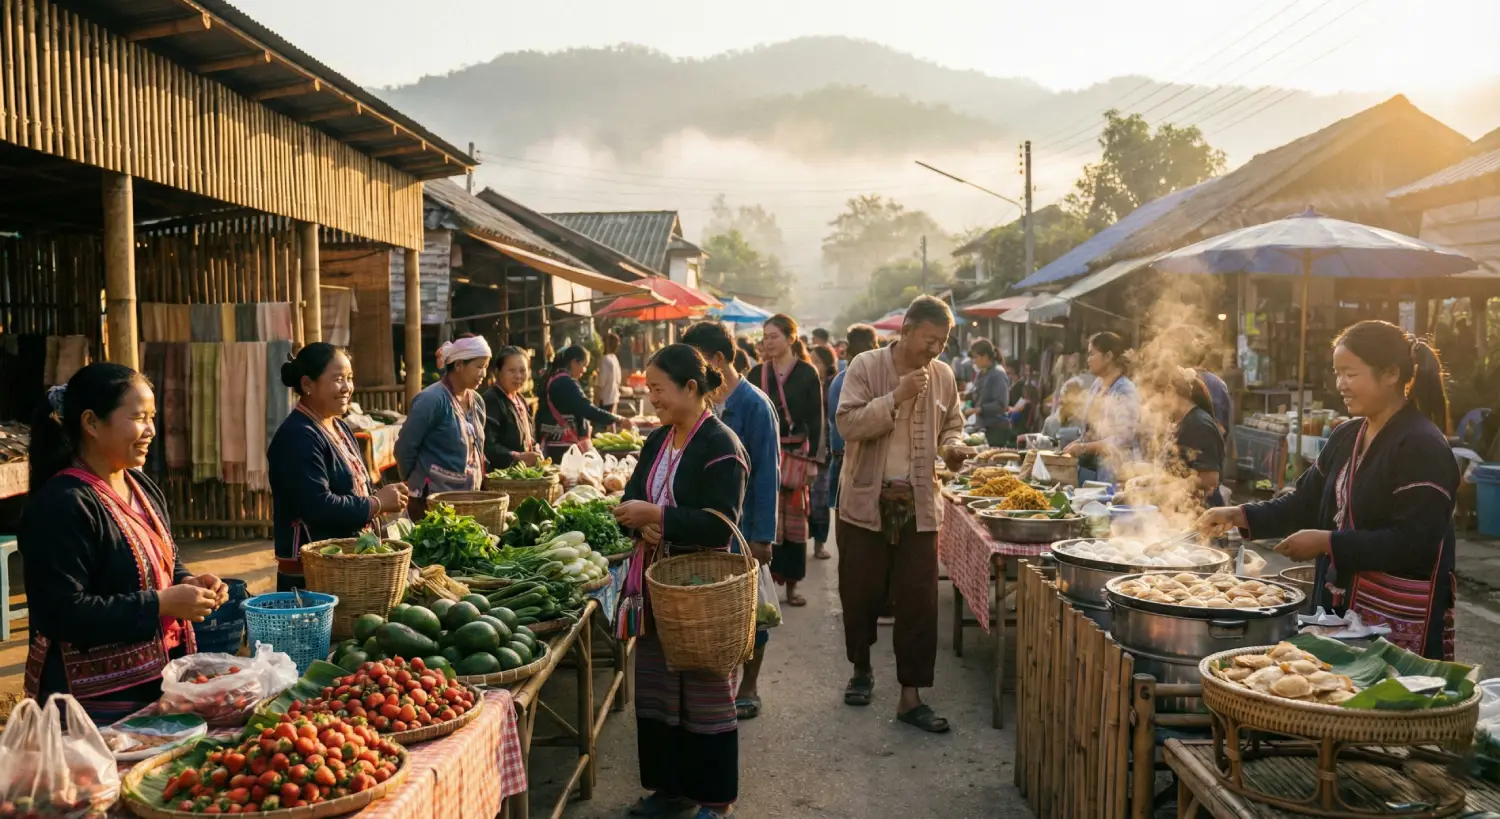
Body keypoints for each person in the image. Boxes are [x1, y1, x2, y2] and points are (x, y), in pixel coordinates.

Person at [1198, 321, 1459, 659]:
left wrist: (1327, 542)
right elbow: (1306, 502)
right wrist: (1239, 515)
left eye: (1351, 374)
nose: (1341, 385)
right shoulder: (1347, 434)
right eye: (1337, 373)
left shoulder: (1423, 446)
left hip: (1397, 621)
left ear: (1391, 373)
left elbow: (1414, 543)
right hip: (1340, 609)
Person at [20, 363, 228, 724]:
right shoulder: (63, 504)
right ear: (91, 423)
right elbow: (61, 613)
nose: (151, 430)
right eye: (138, 418)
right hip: (91, 707)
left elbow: (164, 559)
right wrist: (161, 603)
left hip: (157, 683)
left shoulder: (141, 487)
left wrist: (187, 582)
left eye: (152, 417)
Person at [612, 344, 749, 819]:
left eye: (658, 388)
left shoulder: (721, 446)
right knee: (658, 692)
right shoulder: (657, 440)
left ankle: (714, 798)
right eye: (649, 389)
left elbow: (720, 523)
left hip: (702, 592)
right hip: (656, 588)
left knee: (706, 694)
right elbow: (631, 497)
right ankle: (671, 791)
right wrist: (641, 521)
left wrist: (662, 518)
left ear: (691, 388)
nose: (652, 398)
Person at [835, 296, 973, 733]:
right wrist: (896, 396)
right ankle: (861, 668)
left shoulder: (944, 376)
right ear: (907, 330)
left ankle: (910, 696)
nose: (935, 349)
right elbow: (847, 425)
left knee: (919, 600)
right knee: (860, 593)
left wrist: (952, 446)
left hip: (918, 504)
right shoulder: (865, 367)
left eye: (943, 342)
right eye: (930, 339)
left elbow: (953, 422)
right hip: (864, 502)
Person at [682, 321, 780, 722]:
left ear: (717, 359)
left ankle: (750, 685)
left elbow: (768, 475)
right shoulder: (703, 403)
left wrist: (763, 536)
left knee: (751, 611)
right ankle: (717, 683)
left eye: (696, 361)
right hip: (709, 525)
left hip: (745, 528)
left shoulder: (754, 406)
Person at [270, 344, 408, 591]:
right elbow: (317, 506)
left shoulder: (339, 427)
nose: (347, 388)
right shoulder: (297, 437)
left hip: (345, 565)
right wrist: (376, 504)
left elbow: (354, 486)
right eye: (337, 379)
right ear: (308, 384)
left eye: (350, 378)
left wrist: (384, 498)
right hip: (312, 576)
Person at [747, 314, 824, 608]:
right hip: (763, 454)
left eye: (774, 336)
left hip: (795, 456)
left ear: (791, 338)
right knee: (762, 519)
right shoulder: (756, 374)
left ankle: (791, 588)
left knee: (793, 525)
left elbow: (817, 419)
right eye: (765, 337)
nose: (768, 342)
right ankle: (760, 587)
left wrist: (815, 460)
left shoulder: (807, 373)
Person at [395, 334, 490, 518]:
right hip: (430, 500)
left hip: (466, 499)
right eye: (479, 366)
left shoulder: (477, 401)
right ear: (459, 365)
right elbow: (405, 446)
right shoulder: (432, 400)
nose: (484, 374)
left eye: (485, 367)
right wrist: (412, 480)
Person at [1063, 332, 1140, 483]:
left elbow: (1124, 438)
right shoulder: (1097, 385)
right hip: (1095, 471)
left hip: (1118, 472)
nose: (1088, 360)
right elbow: (1092, 430)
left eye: (1092, 354)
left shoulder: (1125, 390)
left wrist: (1085, 448)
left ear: (1108, 356)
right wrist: (1079, 442)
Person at [1145, 367, 1225, 508]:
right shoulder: (1181, 422)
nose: (1151, 407)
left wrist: (1158, 490)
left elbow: (1210, 479)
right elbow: (1176, 471)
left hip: (1201, 513)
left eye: (1151, 399)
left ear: (1169, 391)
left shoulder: (1198, 424)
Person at [536, 345, 631, 462]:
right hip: (563, 447)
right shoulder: (566, 383)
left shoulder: (553, 378)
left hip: (554, 443)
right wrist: (617, 419)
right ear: (574, 362)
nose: (585, 370)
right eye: (584, 365)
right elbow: (586, 409)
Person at [483, 346, 541, 470]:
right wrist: (517, 457)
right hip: (501, 478)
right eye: (512, 370)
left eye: (522, 370)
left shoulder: (520, 400)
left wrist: (536, 449)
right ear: (498, 372)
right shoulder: (491, 400)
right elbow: (488, 446)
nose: (518, 376)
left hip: (523, 476)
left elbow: (529, 437)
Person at [808, 345, 838, 561]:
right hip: (805, 449)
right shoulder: (807, 383)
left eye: (816, 360)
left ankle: (819, 544)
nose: (813, 364)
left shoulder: (833, 385)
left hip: (825, 451)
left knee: (820, 499)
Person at [967, 339, 1013, 447]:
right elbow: (976, 393)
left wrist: (980, 409)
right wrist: (963, 395)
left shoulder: (998, 374)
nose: (974, 361)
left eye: (976, 357)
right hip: (983, 426)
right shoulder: (982, 373)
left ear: (985, 356)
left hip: (996, 429)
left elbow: (1001, 404)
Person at [596, 331, 624, 416]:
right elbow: (619, 379)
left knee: (602, 427)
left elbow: (601, 382)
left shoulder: (605, 360)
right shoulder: (614, 358)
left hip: (605, 399)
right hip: (614, 397)